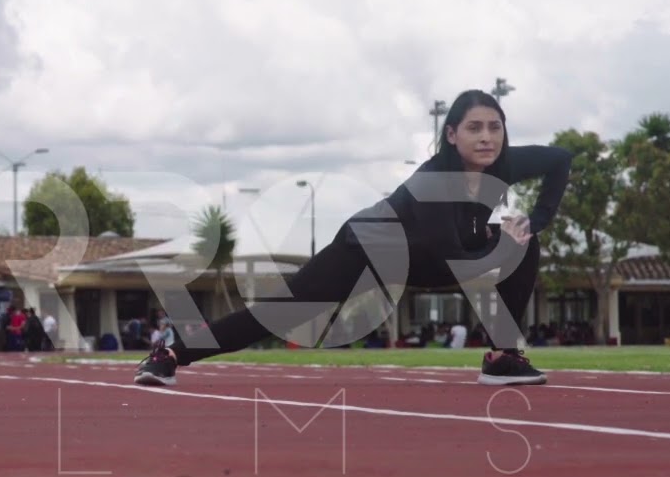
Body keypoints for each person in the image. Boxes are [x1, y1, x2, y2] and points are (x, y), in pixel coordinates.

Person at [135, 89, 572, 387]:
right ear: (452, 134)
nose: (487, 137)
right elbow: (456, 263)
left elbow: (560, 160)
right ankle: (171, 355)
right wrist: (505, 246)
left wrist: (534, 221)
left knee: (525, 241)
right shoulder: (435, 181)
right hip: (368, 249)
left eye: (495, 127)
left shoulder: (503, 163)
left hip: (430, 254)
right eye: (474, 128)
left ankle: (502, 358)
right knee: (278, 314)